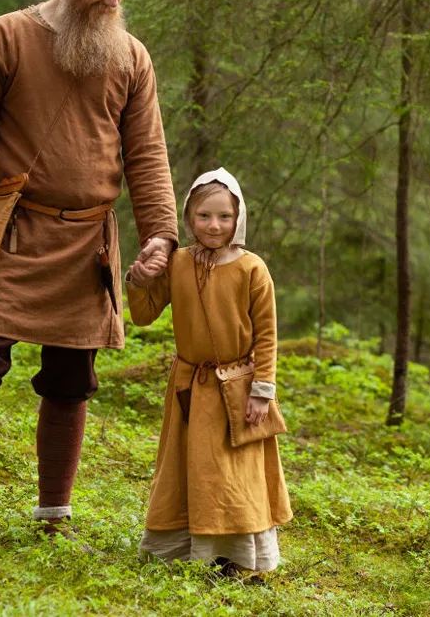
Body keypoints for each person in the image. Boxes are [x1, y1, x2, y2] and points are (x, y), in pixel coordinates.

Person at [0, 0, 180, 559]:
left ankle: (53, 518)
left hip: (88, 243)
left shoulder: (132, 57)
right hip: (12, 234)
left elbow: (147, 155)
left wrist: (160, 235)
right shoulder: (5, 37)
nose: (113, 0)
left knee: (71, 379)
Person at [125, 168, 292, 576]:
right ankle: (185, 549)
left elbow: (267, 335)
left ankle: (236, 555)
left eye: (224, 216)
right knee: (190, 468)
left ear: (239, 219)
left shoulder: (252, 269)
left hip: (238, 388)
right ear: (189, 217)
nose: (214, 225)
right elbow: (144, 315)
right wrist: (139, 279)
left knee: (234, 473)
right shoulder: (179, 263)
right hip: (189, 386)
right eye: (204, 216)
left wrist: (262, 391)